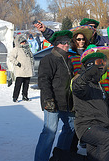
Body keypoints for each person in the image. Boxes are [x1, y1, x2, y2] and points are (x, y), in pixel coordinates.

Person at [34, 30, 75, 161]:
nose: (66, 45)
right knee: (49, 132)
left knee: (70, 128)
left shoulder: (67, 60)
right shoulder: (49, 59)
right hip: (52, 101)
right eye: (63, 43)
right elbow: (43, 80)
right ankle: (41, 159)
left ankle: (59, 156)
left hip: (66, 102)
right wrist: (48, 99)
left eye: (68, 42)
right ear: (57, 44)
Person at [8, 34, 34, 102]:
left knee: (26, 85)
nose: (24, 43)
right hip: (21, 70)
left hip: (28, 70)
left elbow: (31, 58)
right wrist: (17, 63)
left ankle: (25, 96)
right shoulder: (16, 49)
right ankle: (15, 97)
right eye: (22, 42)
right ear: (19, 42)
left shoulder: (27, 49)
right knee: (18, 85)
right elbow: (11, 57)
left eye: (24, 41)